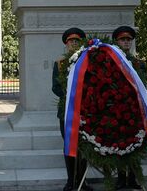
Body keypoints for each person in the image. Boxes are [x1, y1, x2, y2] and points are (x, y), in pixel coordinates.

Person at [52, 28, 91, 191]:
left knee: (84, 146)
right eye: (71, 41)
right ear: (66, 44)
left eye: (77, 41)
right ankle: (71, 181)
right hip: (67, 110)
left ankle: (82, 181)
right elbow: (55, 87)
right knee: (69, 145)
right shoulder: (60, 63)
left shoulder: (88, 61)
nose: (74, 44)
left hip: (85, 110)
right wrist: (70, 98)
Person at [112, 26, 147, 190]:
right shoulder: (113, 63)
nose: (126, 42)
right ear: (117, 42)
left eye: (128, 40)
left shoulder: (138, 64)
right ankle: (120, 178)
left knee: (135, 144)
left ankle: (132, 178)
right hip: (119, 110)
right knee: (119, 143)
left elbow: (144, 86)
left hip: (135, 110)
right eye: (122, 39)